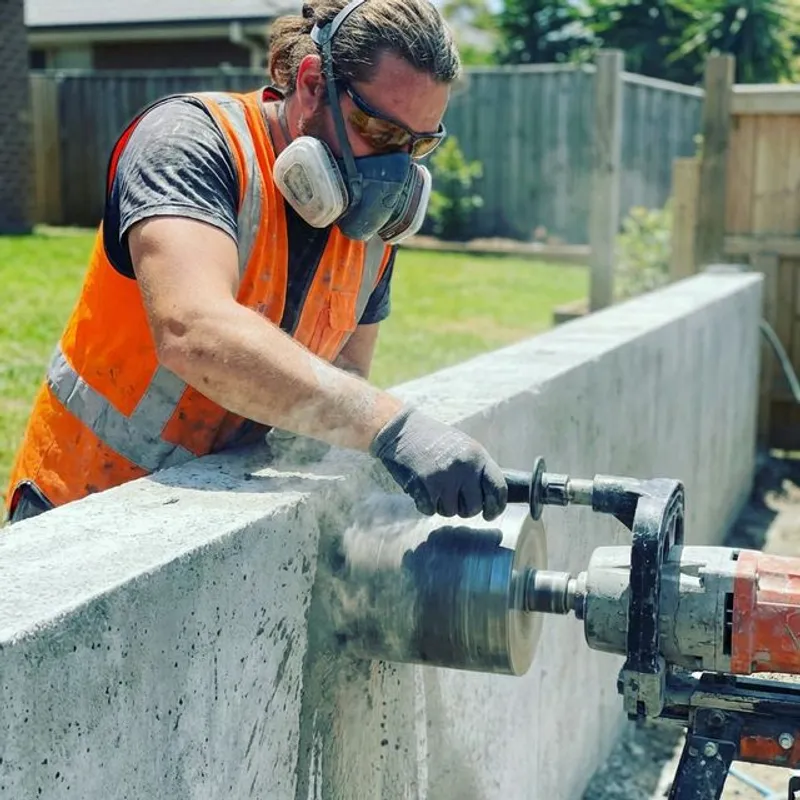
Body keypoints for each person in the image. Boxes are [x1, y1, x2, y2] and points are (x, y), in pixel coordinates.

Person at [4, 0, 508, 526]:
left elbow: (338, 384)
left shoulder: (374, 229)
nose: (394, 168)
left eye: (416, 144)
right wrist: (396, 429)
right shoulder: (190, 142)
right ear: (313, 84)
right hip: (81, 507)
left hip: (213, 524)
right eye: (380, 134)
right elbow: (193, 330)